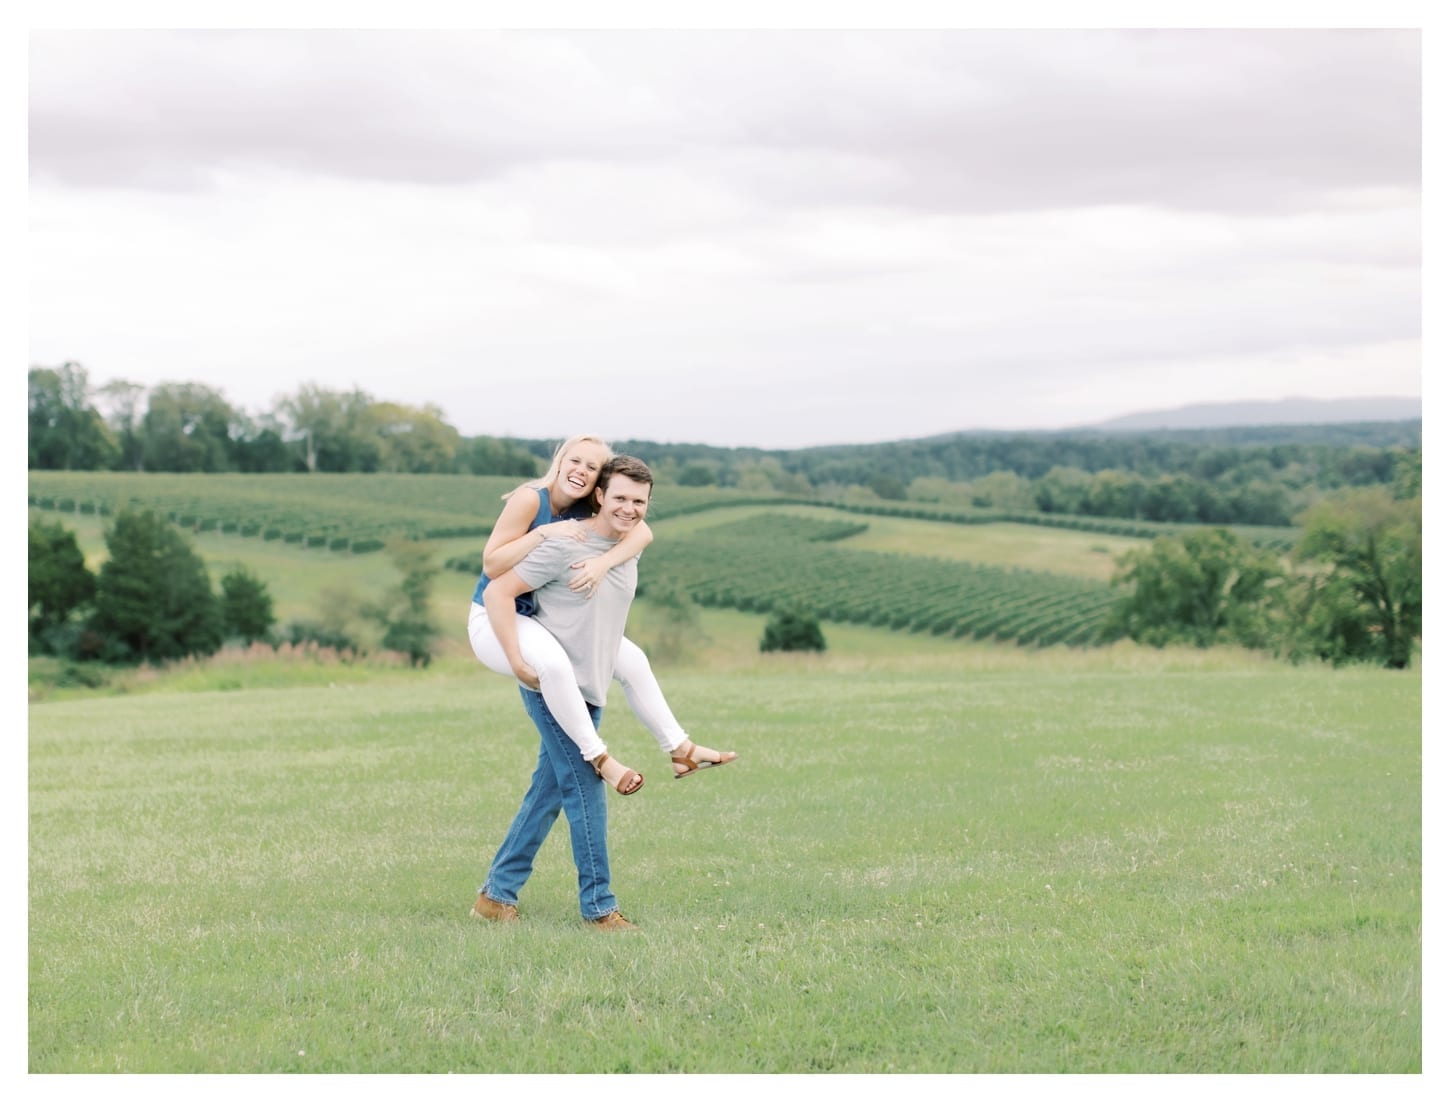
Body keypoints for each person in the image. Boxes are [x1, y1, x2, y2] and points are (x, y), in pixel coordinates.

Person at [467, 433, 735, 789]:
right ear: (560, 461)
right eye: (575, 460)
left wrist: (602, 564)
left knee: (634, 660)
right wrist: (544, 534)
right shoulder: (530, 500)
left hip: (542, 617)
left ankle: (681, 749)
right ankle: (600, 757)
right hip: (498, 615)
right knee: (555, 667)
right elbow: (491, 566)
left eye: (592, 467)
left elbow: (643, 532)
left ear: (597, 485)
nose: (581, 470)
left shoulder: (587, 509)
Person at [470, 455, 658, 929]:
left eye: (639, 501)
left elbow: (641, 533)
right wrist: (517, 659)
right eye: (620, 497)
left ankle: (496, 896)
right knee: (583, 785)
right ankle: (599, 907)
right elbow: (496, 586)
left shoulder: (613, 534)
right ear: (599, 495)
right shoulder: (552, 532)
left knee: (548, 790)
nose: (630, 508)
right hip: (545, 669)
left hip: (586, 674)